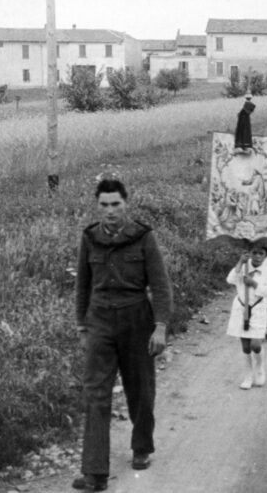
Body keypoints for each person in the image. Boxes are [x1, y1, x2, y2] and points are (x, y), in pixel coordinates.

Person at [73, 179, 173, 492]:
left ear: (126, 203)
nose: (110, 211)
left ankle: (141, 445)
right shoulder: (90, 237)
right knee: (95, 394)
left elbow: (160, 285)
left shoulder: (143, 237)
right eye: (104, 204)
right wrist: (81, 326)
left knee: (140, 388)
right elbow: (83, 286)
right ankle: (95, 473)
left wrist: (160, 326)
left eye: (116, 204)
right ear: (97, 205)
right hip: (100, 320)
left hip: (136, 318)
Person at [226, 239, 267, 389]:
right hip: (241, 308)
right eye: (254, 253)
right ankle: (248, 374)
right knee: (246, 346)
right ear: (250, 253)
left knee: (255, 344)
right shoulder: (242, 267)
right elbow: (230, 280)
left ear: (266, 255)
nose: (257, 256)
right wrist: (240, 263)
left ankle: (259, 367)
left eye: (261, 253)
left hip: (258, 309)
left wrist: (254, 284)